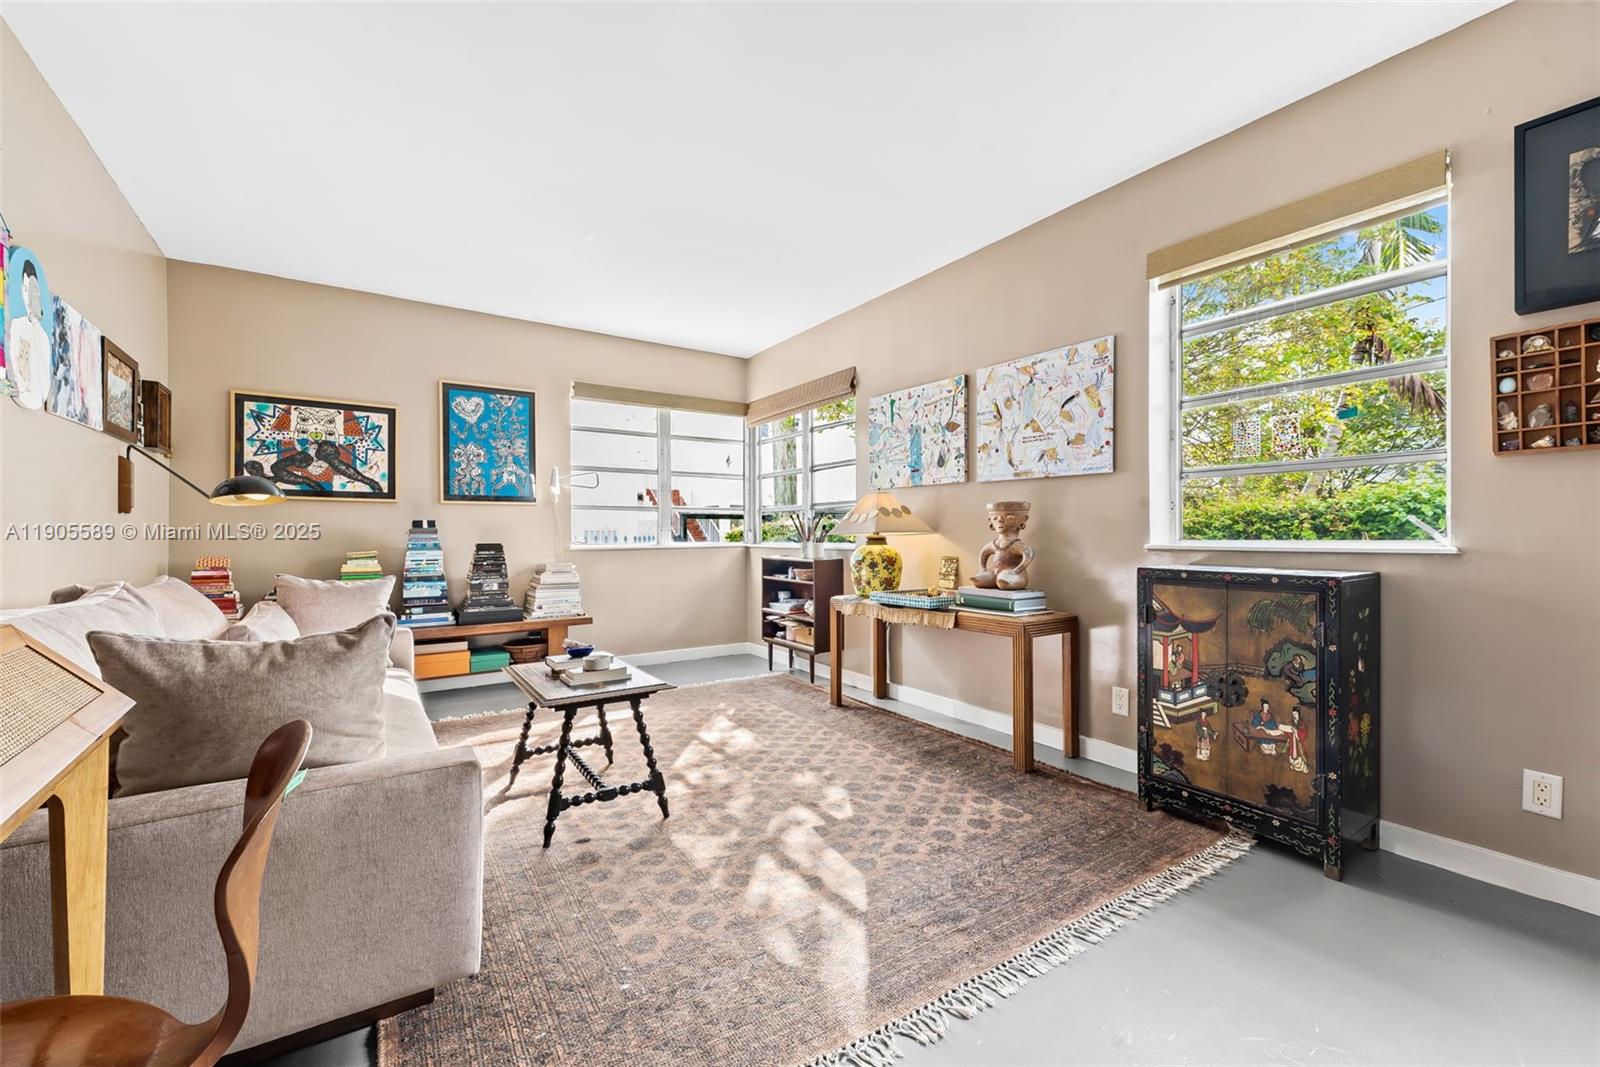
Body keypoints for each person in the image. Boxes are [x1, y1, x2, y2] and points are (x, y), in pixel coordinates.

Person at [6, 259, 50, 409]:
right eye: (24, 289)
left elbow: (45, 380)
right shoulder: (17, 326)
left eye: (31, 290)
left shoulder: (43, 338)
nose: (28, 296)